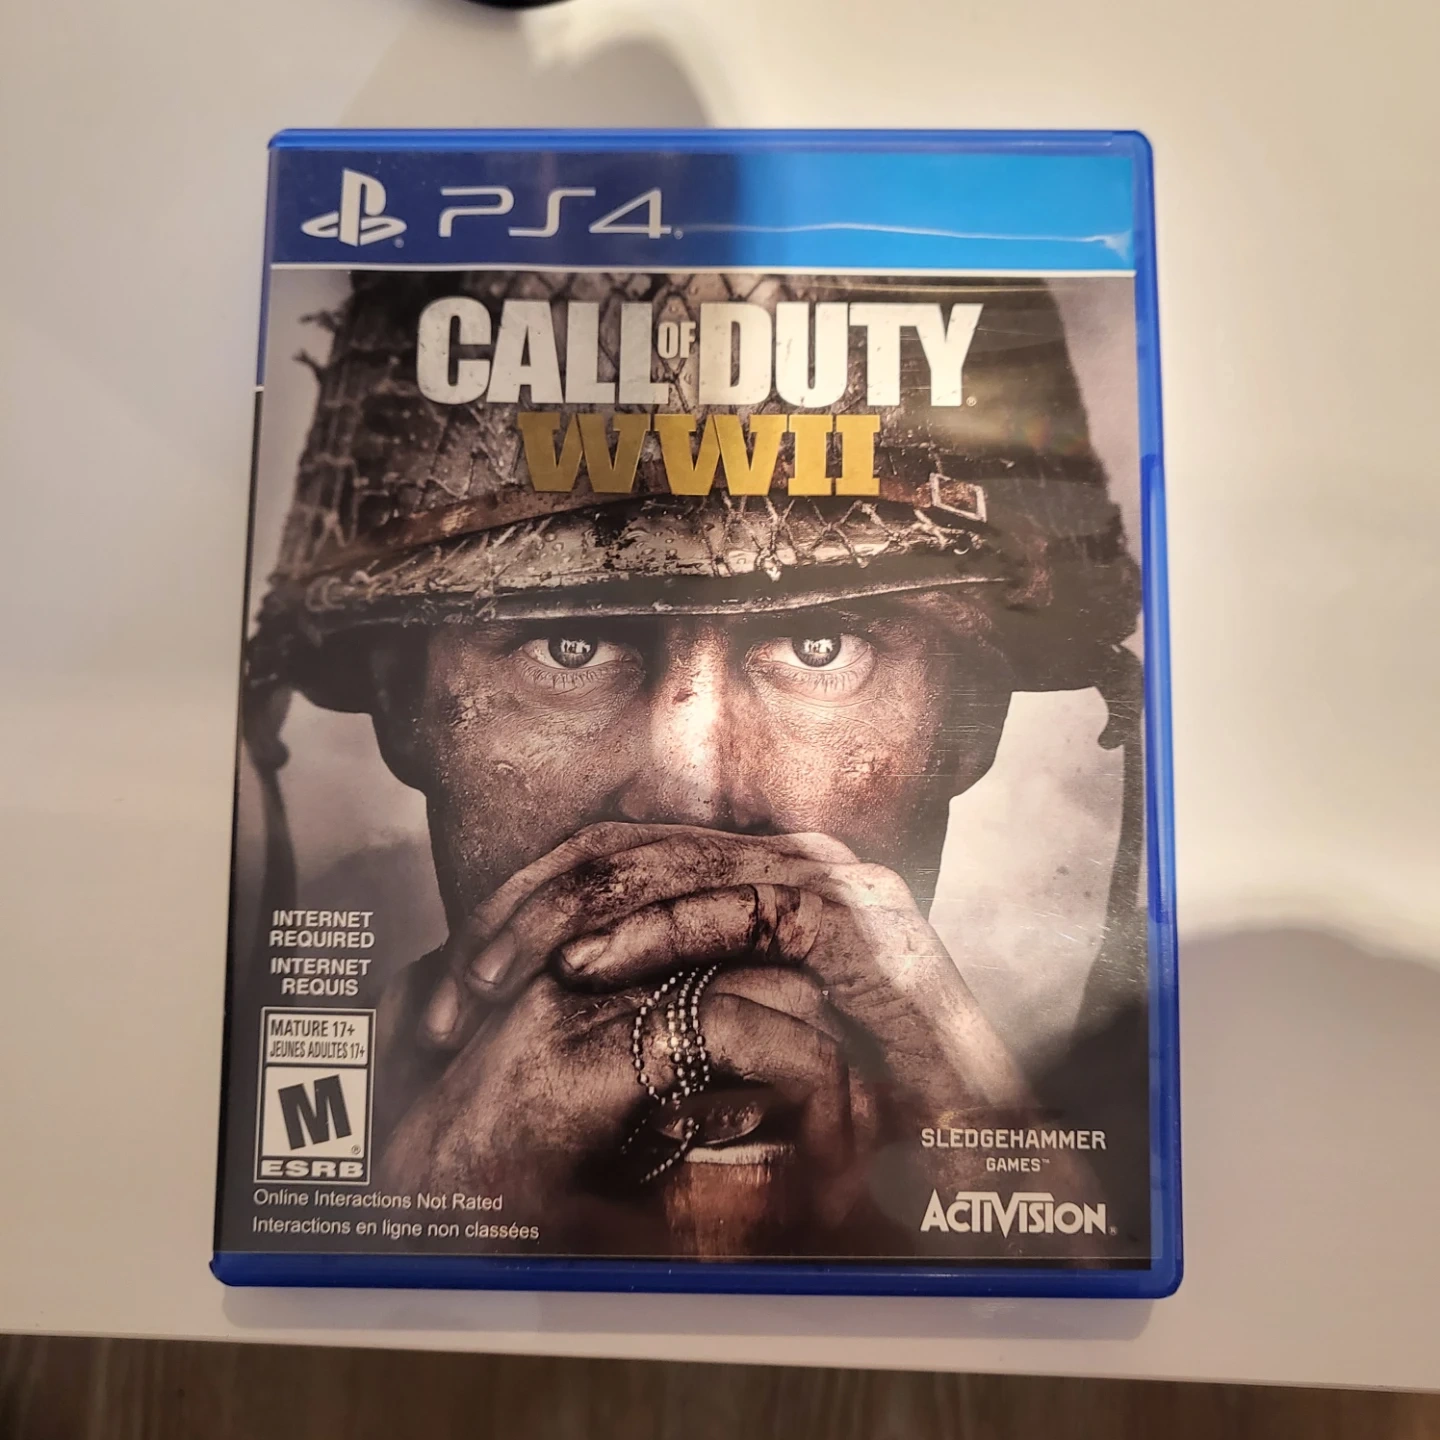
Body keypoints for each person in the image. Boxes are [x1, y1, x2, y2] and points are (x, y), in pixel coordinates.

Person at [244, 270, 1146, 1260]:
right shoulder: (256, 1136)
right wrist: (408, 1227)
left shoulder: (1110, 1148)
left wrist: (1016, 1199)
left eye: (820, 647)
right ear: (401, 703)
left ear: (973, 720)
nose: (694, 788)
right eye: (572, 647)